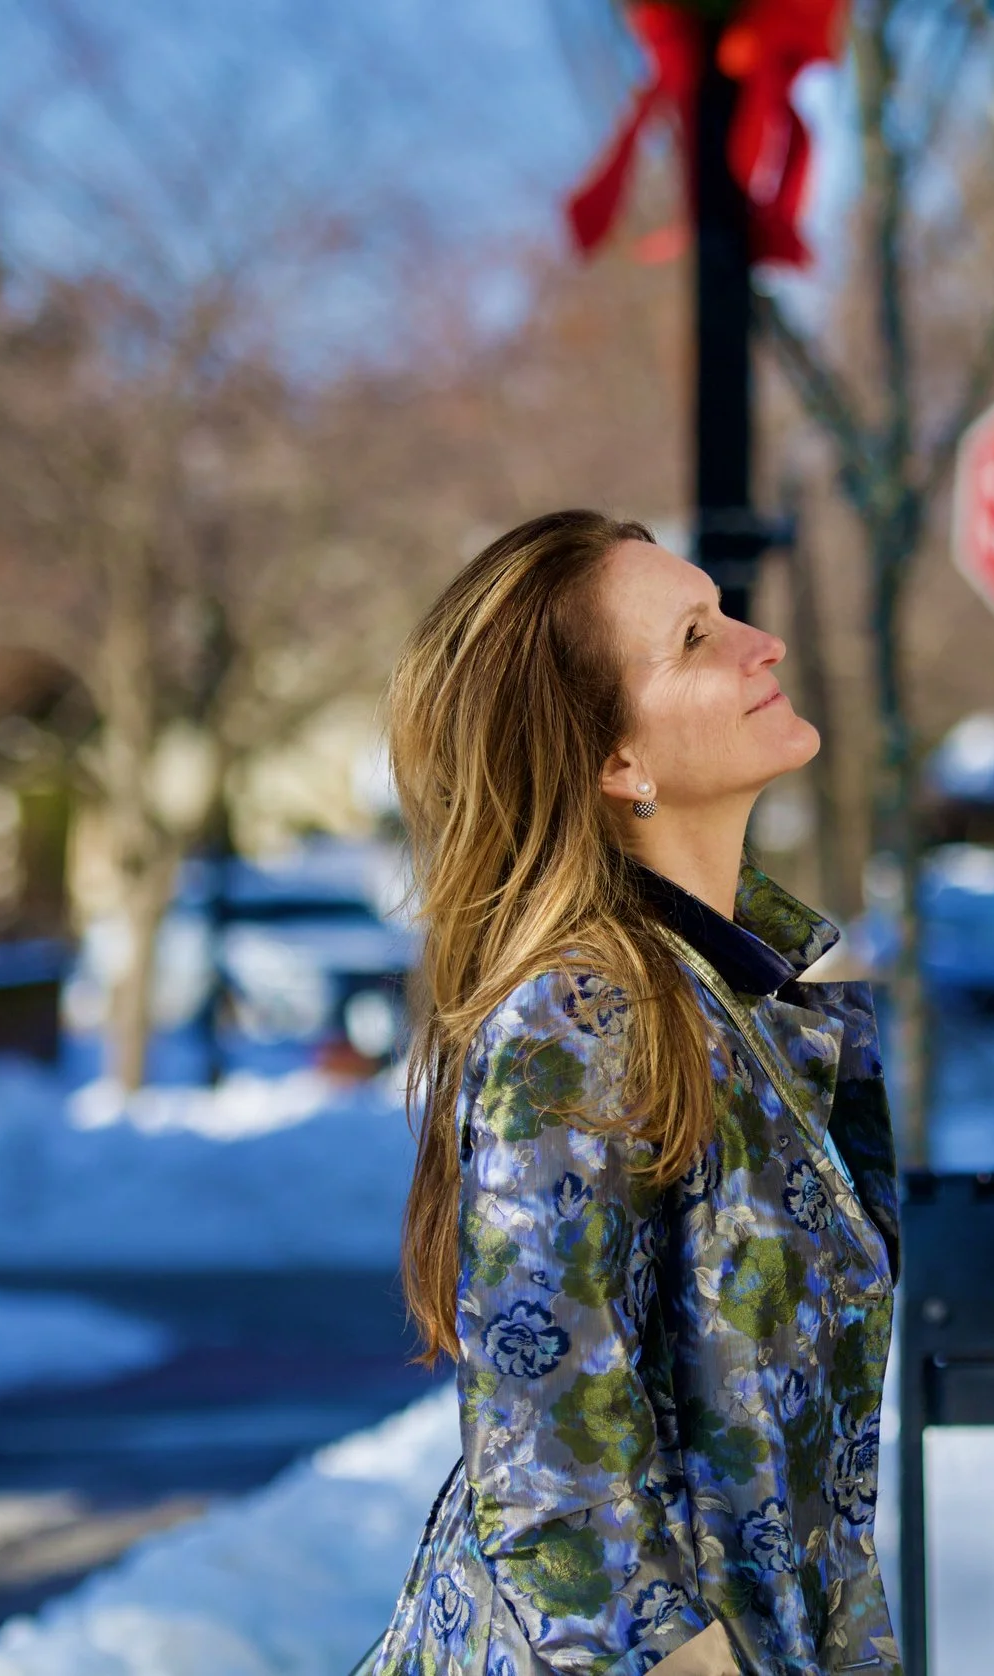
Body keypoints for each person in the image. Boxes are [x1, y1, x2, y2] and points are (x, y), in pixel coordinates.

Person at [362, 511, 901, 1676]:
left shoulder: (725, 995)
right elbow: (555, 1486)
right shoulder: (578, 1012)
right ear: (618, 763)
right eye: (697, 637)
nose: (762, 643)